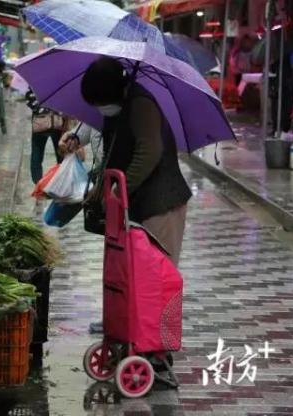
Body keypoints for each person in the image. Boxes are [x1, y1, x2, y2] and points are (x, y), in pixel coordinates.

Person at [59, 57, 192, 334]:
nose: (99, 109)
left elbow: (149, 153)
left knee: (157, 272)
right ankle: (124, 321)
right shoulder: (118, 108)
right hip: (133, 203)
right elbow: (114, 149)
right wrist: (99, 190)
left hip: (160, 203)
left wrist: (118, 190)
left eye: (100, 102)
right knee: (127, 268)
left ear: (114, 91)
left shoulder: (142, 104)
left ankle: (158, 339)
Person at [26, 88, 66, 185]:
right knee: (60, 154)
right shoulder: (60, 81)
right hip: (56, 122)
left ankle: (38, 184)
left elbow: (29, 99)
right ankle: (62, 182)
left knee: (37, 154)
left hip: (41, 122)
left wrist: (40, 109)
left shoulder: (37, 81)